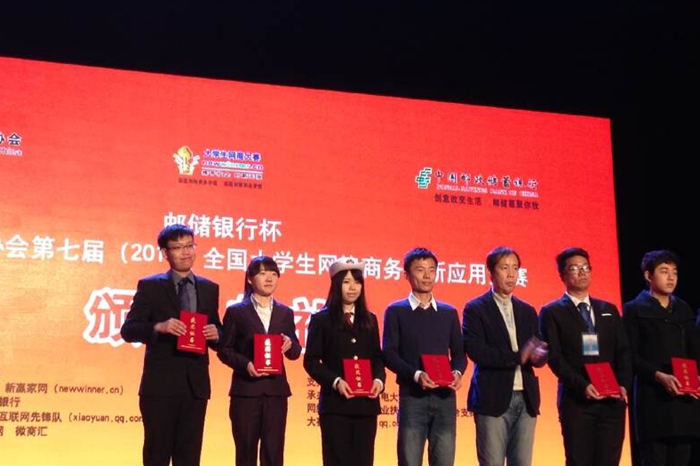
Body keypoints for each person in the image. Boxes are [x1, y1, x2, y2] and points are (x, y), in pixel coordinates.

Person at [121, 224, 222, 466]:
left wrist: (216, 334)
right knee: (157, 455)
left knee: (189, 457)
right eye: (177, 247)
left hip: (195, 387)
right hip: (160, 387)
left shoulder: (209, 288)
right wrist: (159, 327)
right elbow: (129, 330)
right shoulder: (151, 286)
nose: (185, 252)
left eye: (189, 246)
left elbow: (219, 328)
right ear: (165, 253)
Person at [539, 247, 632, 466]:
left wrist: (623, 385)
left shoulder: (608, 309)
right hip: (577, 401)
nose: (582, 272)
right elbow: (555, 358)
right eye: (574, 268)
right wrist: (582, 386)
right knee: (578, 460)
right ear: (562, 275)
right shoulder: (552, 312)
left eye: (586, 267)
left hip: (611, 402)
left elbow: (623, 351)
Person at [462, 246, 548, 466]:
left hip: (526, 398)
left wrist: (540, 354)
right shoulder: (475, 308)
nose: (511, 274)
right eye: (504, 268)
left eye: (515, 268)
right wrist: (518, 357)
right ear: (491, 272)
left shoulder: (527, 310)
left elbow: (536, 352)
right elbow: (477, 351)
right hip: (492, 397)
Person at [383, 247, 466, 466]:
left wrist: (457, 373)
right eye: (420, 270)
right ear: (406, 275)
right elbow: (389, 354)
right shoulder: (396, 311)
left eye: (431, 270)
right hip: (412, 398)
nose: (427, 275)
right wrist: (416, 374)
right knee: (409, 460)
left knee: (444, 460)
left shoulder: (448, 312)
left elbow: (459, 353)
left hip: (445, 398)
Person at [217, 255, 301, 466]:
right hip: (246, 392)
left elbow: (295, 352)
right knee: (245, 452)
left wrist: (290, 344)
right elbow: (224, 350)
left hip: (276, 393)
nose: (269, 279)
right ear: (250, 278)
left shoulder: (285, 312)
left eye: (273, 274)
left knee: (274, 452)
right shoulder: (236, 311)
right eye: (263, 273)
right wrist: (246, 365)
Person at [304, 259, 386, 466]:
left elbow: (377, 357)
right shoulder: (321, 319)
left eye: (357, 282)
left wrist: (378, 380)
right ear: (336, 284)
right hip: (335, 406)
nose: (352, 287)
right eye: (346, 282)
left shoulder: (370, 319)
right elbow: (311, 361)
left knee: (364, 460)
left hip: (366, 406)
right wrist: (335, 381)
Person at [623, 250, 700, 466]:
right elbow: (629, 354)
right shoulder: (634, 309)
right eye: (664, 271)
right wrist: (658, 375)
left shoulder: (683, 308)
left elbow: (695, 350)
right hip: (653, 397)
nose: (671, 277)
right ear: (648, 276)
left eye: (674, 272)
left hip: (684, 399)